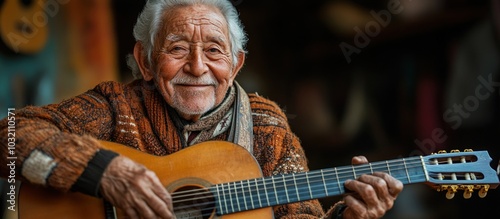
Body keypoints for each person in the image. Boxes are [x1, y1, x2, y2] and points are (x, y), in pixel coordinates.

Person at [0, 0, 403, 218]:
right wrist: (103, 171)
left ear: (236, 64)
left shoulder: (266, 126)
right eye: (177, 49)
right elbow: (11, 137)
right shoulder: (115, 106)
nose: (197, 67)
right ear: (144, 61)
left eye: (214, 50)